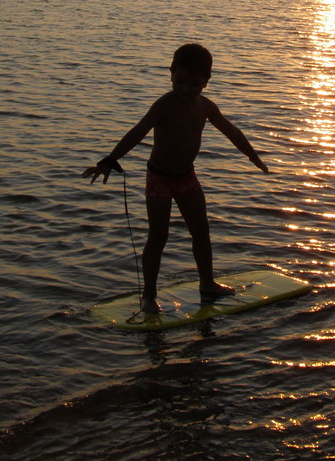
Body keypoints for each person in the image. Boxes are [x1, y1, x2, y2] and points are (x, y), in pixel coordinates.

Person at [83, 43, 270, 314]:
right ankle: (148, 295)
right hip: (159, 179)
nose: (185, 90)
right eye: (179, 82)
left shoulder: (206, 107)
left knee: (201, 231)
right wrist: (110, 160)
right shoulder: (164, 104)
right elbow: (138, 131)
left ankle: (207, 284)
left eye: (193, 84)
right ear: (170, 73)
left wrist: (254, 158)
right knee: (158, 236)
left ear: (207, 81)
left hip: (187, 178)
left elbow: (232, 131)